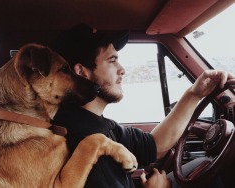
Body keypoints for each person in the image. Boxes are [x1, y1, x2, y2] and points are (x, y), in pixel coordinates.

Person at [51, 23, 234, 188]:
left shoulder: (94, 123)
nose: (122, 69)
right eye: (112, 60)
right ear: (82, 72)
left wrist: (194, 94)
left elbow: (154, 146)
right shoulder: (85, 147)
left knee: (202, 164)